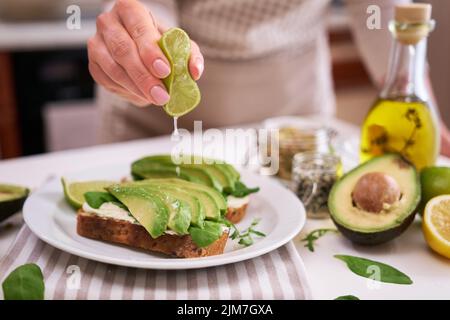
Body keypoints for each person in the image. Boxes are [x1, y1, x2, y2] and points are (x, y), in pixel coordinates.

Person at [87, 0, 450, 157]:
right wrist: (140, 42)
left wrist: (422, 117)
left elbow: (380, 9)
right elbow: (150, 5)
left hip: (293, 121)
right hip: (158, 120)